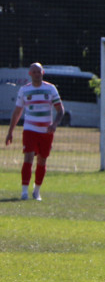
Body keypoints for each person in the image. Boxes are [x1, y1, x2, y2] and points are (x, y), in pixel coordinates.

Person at [5, 63, 64, 201]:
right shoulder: (24, 90)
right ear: (30, 74)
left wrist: (54, 124)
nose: (37, 74)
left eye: (39, 71)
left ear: (43, 72)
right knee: (28, 157)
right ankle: (24, 192)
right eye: (34, 72)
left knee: (42, 160)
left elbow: (60, 110)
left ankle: (36, 191)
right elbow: (18, 112)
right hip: (30, 129)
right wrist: (10, 131)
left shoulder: (50, 88)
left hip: (46, 131)